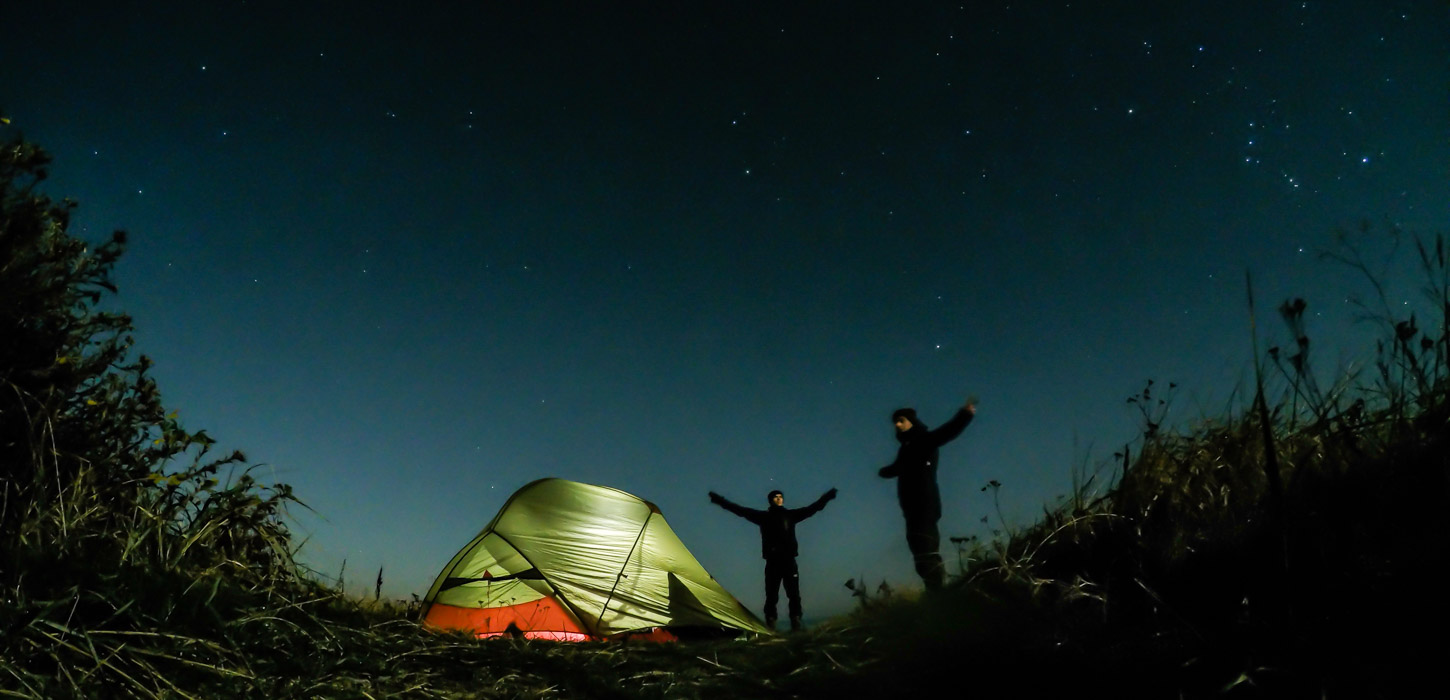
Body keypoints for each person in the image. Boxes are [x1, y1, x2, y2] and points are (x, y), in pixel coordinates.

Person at [877, 398, 977, 591]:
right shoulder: (905, 449)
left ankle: (938, 592)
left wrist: (965, 414)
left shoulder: (924, 440)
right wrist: (884, 472)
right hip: (910, 509)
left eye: (901, 420)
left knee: (926, 550)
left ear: (912, 421)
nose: (897, 425)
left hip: (924, 505)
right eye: (895, 422)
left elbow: (948, 431)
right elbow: (898, 467)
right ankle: (935, 591)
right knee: (918, 549)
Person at [707, 487, 837, 631]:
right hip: (773, 561)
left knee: (794, 594)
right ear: (770, 500)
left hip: (789, 560)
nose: (779, 498)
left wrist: (826, 497)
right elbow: (740, 511)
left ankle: (796, 622)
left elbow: (812, 509)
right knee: (771, 595)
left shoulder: (790, 515)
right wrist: (720, 501)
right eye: (776, 497)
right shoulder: (764, 517)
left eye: (780, 496)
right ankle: (771, 623)